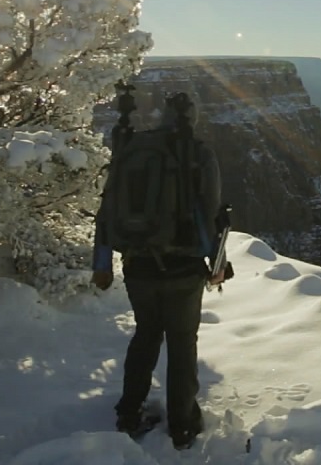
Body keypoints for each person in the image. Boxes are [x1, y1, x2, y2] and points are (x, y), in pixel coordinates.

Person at [92, 91, 225, 449]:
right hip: (183, 270)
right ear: (190, 118)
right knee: (182, 344)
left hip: (138, 266)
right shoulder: (196, 153)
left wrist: (101, 265)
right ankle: (182, 425)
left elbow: (106, 211)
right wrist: (217, 263)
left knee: (146, 335)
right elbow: (209, 211)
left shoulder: (131, 150)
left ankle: (129, 412)